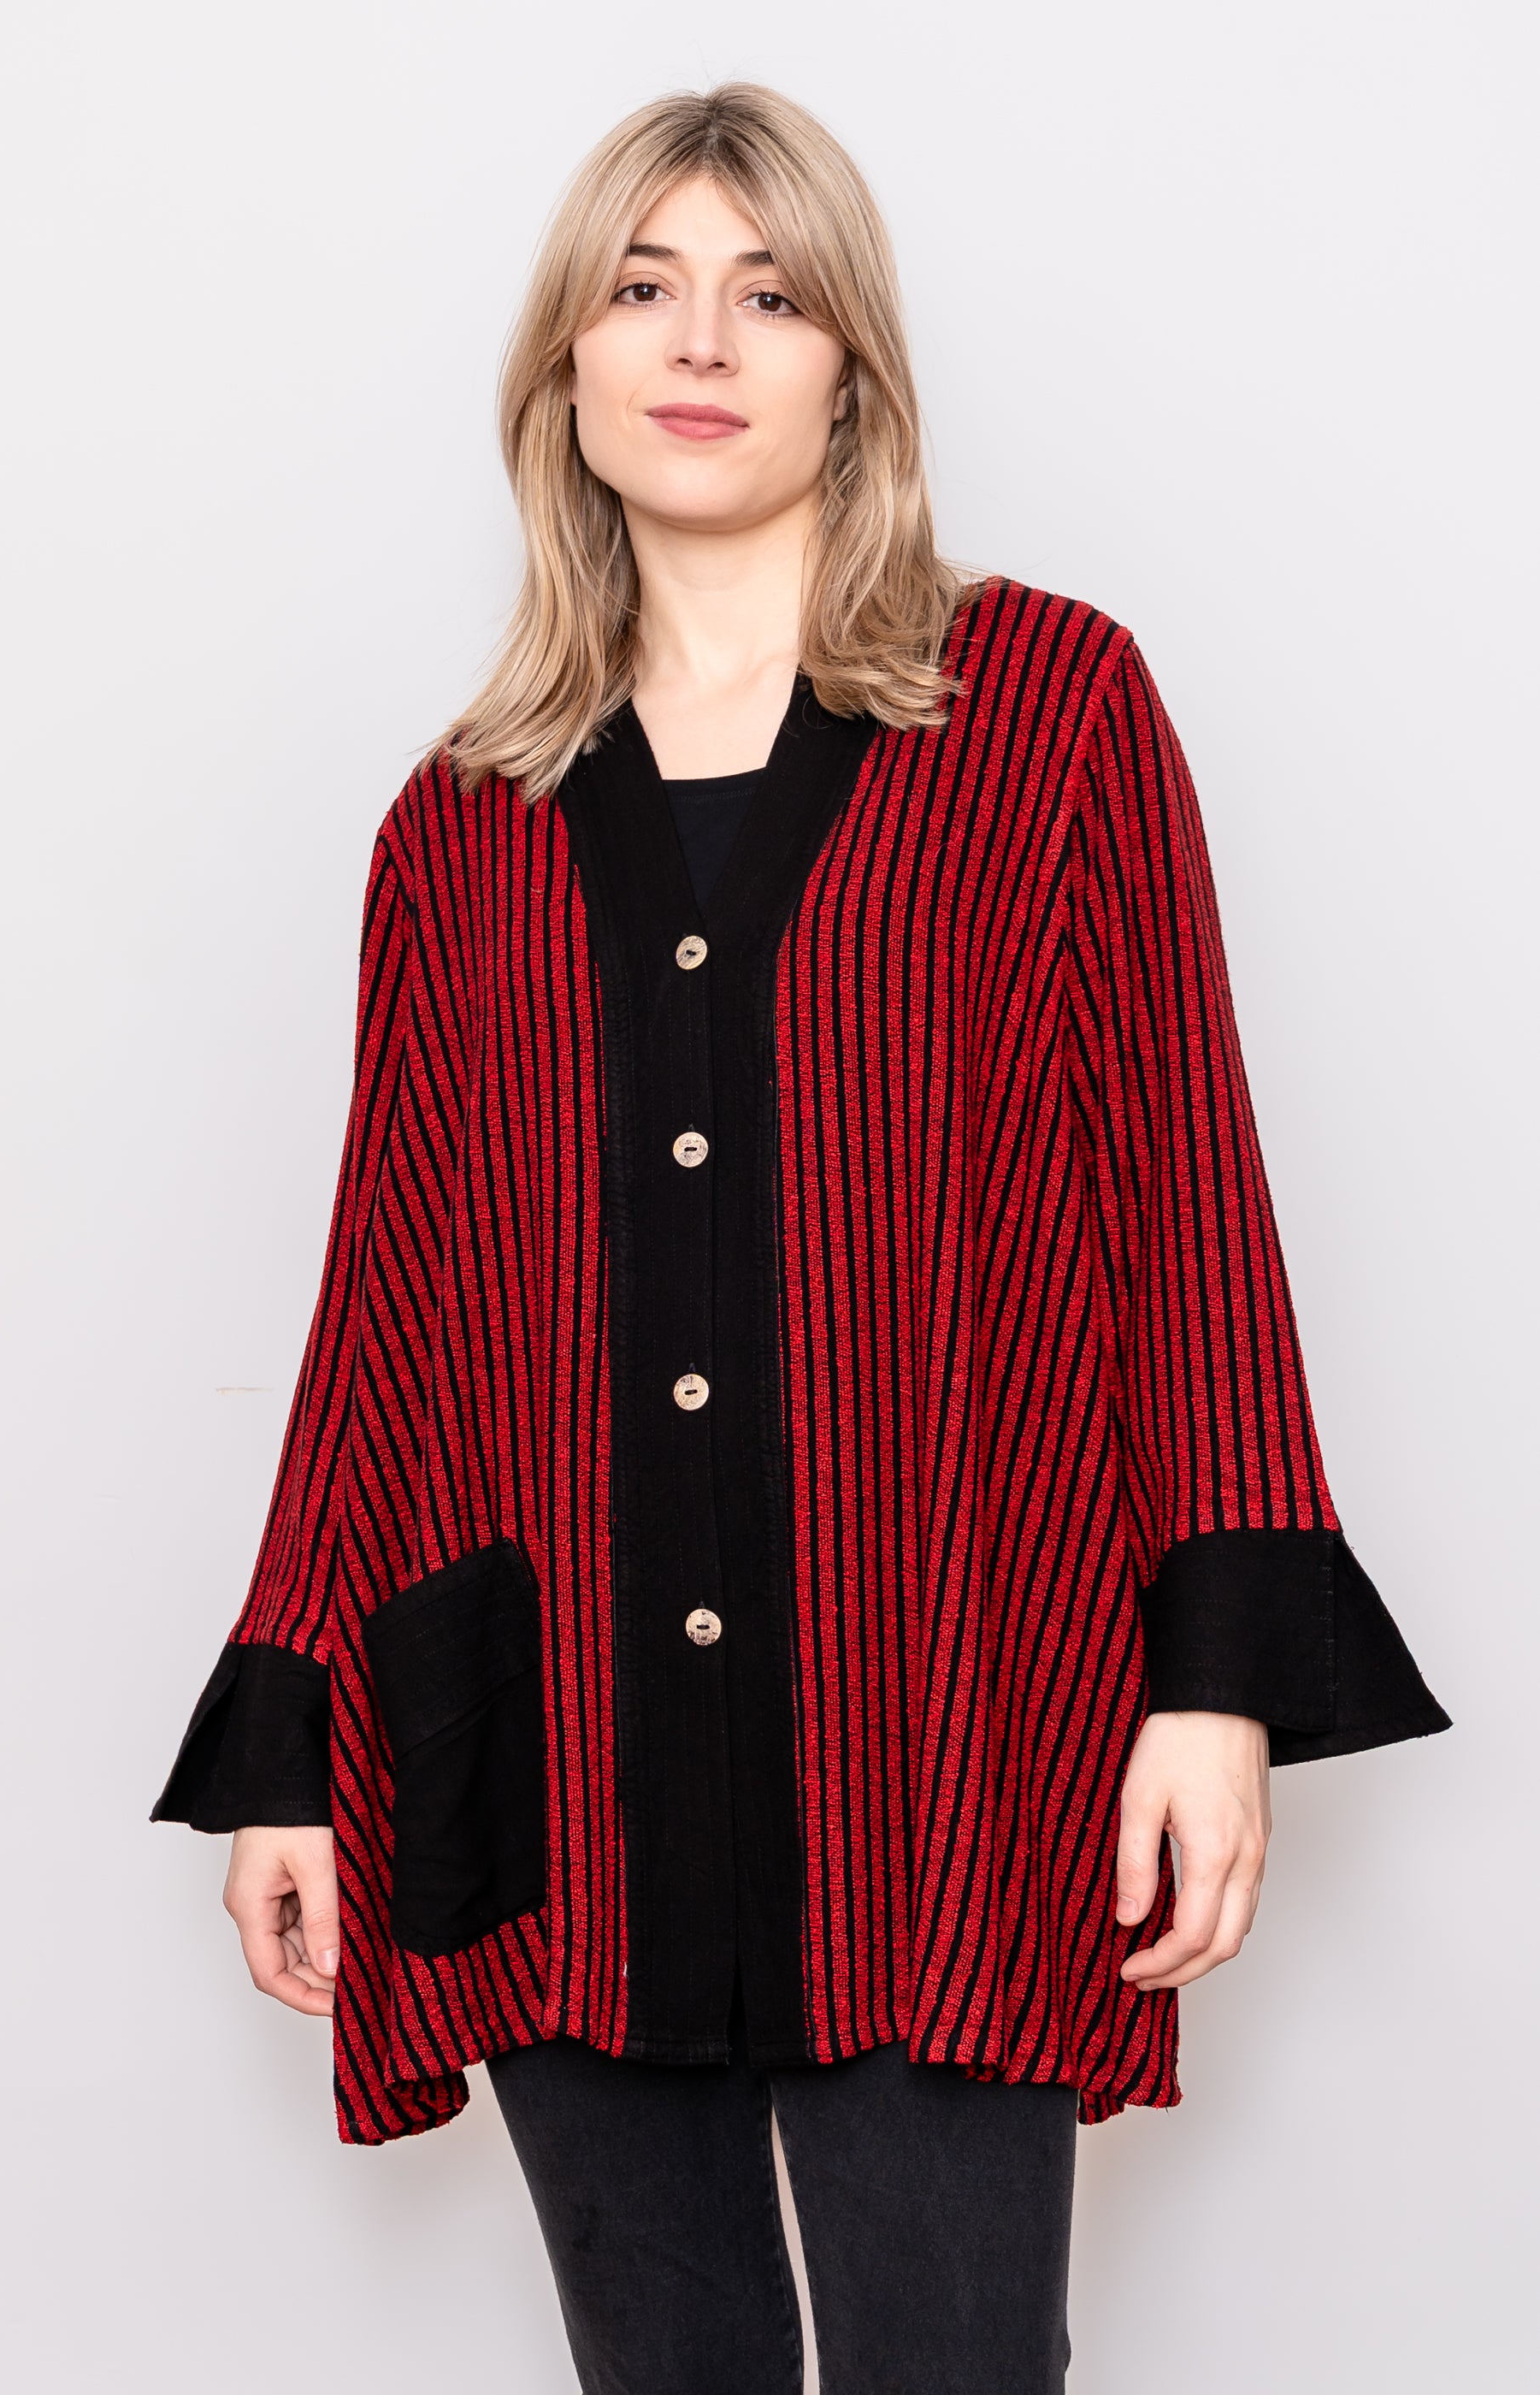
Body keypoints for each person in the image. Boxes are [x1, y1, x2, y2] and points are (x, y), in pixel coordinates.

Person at [153, 81, 1451, 2395]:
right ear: (563, 367)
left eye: (770, 294)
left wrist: (1216, 1681)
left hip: (937, 1730)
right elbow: (386, 1303)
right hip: (558, 1755)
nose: (701, 341)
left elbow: (1183, 1199)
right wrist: (290, 1734)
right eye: (642, 288)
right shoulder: (457, 828)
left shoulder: (1050, 717)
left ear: (853, 366)